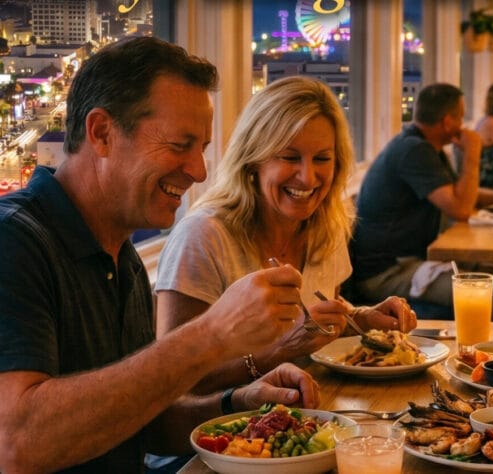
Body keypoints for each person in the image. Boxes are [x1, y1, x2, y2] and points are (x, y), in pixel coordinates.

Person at [0, 36, 319, 473]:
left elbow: (133, 420)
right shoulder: (14, 241)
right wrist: (213, 333)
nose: (199, 171)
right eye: (179, 144)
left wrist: (241, 402)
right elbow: (16, 444)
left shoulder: (121, 254)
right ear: (102, 133)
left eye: (202, 148)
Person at [155, 76, 417, 396]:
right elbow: (172, 383)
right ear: (253, 160)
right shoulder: (202, 238)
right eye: (290, 157)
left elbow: (317, 323)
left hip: (307, 418)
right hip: (214, 438)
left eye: (322, 158)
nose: (307, 176)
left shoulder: (327, 228)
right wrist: (281, 350)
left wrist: (362, 320)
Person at [349, 83, 493, 311]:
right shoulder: (414, 150)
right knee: (488, 296)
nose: (463, 126)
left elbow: (458, 192)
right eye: (460, 118)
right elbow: (460, 209)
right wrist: (472, 153)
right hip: (386, 272)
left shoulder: (425, 146)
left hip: (411, 261)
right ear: (447, 121)